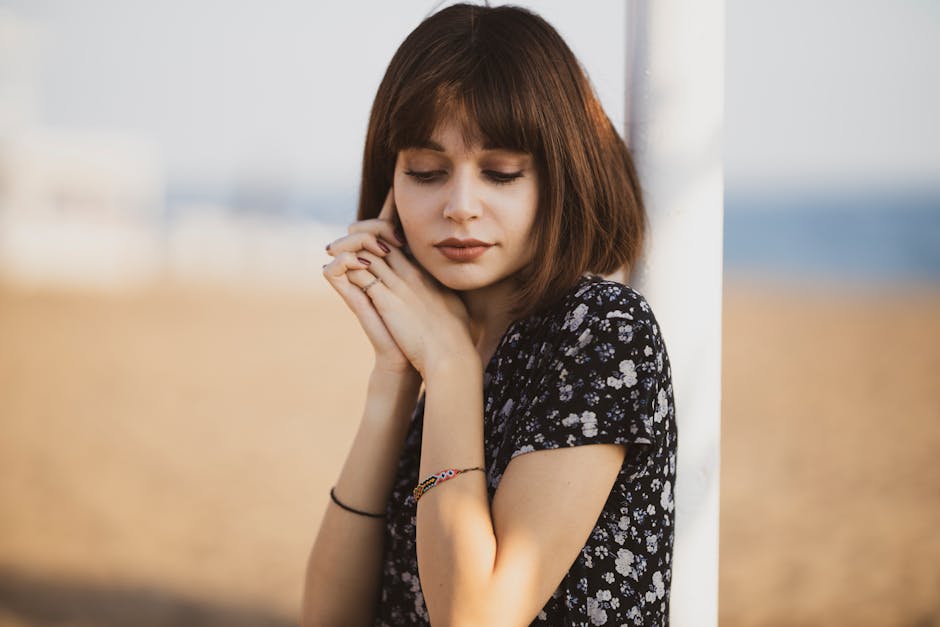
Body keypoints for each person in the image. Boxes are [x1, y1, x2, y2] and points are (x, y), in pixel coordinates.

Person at [304, 4, 677, 625]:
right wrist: (394, 379)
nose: (460, 205)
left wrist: (449, 368)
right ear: (390, 181)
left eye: (501, 174)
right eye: (426, 172)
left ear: (560, 180)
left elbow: (477, 618)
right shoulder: (451, 342)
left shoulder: (602, 330)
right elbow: (326, 616)